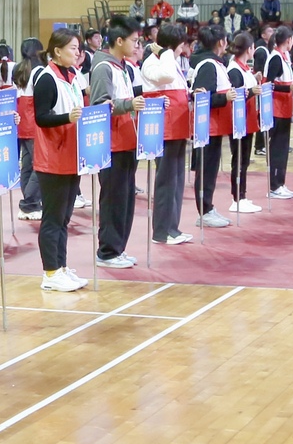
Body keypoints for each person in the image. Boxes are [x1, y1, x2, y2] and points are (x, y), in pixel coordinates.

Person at [32, 29, 87, 290]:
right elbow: (41, 117)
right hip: (52, 159)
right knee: (53, 218)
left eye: (78, 48)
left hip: (71, 156)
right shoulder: (46, 78)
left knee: (65, 217)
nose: (77, 53)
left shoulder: (73, 76)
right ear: (57, 51)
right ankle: (50, 273)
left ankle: (62, 266)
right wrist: (68, 118)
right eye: (73, 48)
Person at [89, 16, 145, 268]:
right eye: (134, 41)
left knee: (125, 198)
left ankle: (119, 248)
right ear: (119, 40)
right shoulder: (103, 68)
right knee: (112, 198)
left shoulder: (123, 67)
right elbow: (100, 106)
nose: (137, 45)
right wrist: (128, 105)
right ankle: (107, 251)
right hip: (111, 145)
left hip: (127, 141)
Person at [141, 23, 193, 245]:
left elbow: (179, 85)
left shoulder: (170, 60)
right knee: (166, 180)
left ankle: (173, 227)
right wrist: (166, 53)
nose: (184, 48)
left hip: (178, 128)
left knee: (177, 179)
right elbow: (167, 76)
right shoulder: (154, 62)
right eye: (181, 44)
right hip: (165, 128)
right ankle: (161, 231)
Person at [188, 26, 233, 228]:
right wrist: (225, 97)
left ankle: (208, 207)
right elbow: (202, 98)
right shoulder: (208, 65)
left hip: (216, 126)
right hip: (208, 127)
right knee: (206, 170)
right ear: (220, 42)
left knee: (211, 169)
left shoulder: (217, 63)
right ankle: (204, 211)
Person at [225, 32, 262, 213]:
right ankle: (236, 198)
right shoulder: (234, 69)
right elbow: (237, 94)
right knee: (238, 159)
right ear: (249, 49)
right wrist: (253, 91)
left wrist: (255, 80)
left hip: (248, 119)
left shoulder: (244, 68)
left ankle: (243, 195)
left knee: (245, 160)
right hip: (239, 121)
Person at [13, 37, 45, 223]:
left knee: (27, 166)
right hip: (34, 123)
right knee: (39, 166)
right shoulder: (39, 70)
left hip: (22, 123)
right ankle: (29, 203)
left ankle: (30, 202)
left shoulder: (19, 69)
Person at [264, 26, 293, 199]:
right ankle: (274, 185)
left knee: (283, 148)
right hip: (276, 109)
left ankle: (281, 183)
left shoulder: (285, 57)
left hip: (285, 108)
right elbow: (267, 84)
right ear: (289, 40)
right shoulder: (275, 58)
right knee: (277, 148)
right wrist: (287, 88)